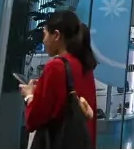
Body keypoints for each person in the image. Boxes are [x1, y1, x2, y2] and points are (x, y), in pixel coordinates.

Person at [19, 10, 98, 147]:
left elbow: (33, 120)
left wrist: (29, 95)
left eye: (45, 34)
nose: (43, 41)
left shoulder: (55, 67)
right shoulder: (84, 65)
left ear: (56, 35)